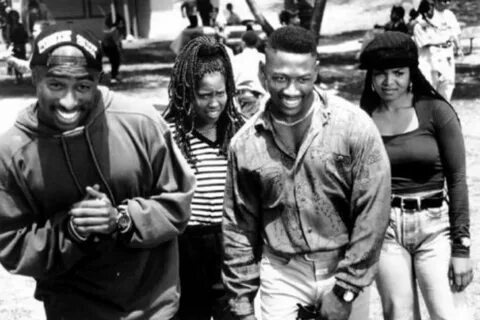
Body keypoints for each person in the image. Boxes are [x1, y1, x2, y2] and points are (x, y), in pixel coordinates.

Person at [0, 25, 196, 320]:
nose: (69, 102)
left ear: (98, 80)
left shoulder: (140, 122)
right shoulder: (12, 152)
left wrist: (121, 219)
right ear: (34, 78)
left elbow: (178, 204)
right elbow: (12, 244)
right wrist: (72, 231)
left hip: (152, 308)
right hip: (72, 311)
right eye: (55, 85)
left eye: (83, 86)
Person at [222, 26, 391, 320]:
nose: (291, 90)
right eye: (280, 78)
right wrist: (242, 303)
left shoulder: (354, 127)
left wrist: (346, 289)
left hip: (343, 265)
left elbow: (373, 213)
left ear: (316, 71)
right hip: (281, 272)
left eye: (302, 79)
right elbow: (239, 227)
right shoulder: (245, 145)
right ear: (263, 73)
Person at [359, 31, 473, 320]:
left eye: (398, 73)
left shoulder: (436, 111)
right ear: (371, 76)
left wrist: (461, 250)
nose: (389, 82)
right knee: (399, 315)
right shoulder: (363, 117)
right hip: (386, 231)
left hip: (435, 228)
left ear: (412, 72)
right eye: (381, 74)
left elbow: (457, 180)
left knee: (449, 315)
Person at [163, 35, 245, 320]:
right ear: (186, 91)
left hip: (231, 244)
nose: (214, 103)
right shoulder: (169, 135)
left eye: (220, 93)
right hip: (186, 247)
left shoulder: (239, 131)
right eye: (204, 94)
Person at [413, 0, 462, 101]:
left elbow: (454, 33)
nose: (430, 10)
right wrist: (444, 41)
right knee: (429, 87)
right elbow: (426, 43)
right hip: (429, 60)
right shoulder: (419, 25)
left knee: (447, 85)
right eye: (427, 9)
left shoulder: (447, 16)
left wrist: (457, 47)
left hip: (446, 56)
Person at [102, 10, 126, 84]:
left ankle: (115, 75)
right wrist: (119, 50)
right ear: (118, 23)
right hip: (109, 47)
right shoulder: (115, 29)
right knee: (115, 62)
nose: (122, 24)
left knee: (116, 62)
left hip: (111, 46)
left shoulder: (117, 30)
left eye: (122, 23)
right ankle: (113, 77)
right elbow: (115, 41)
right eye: (121, 23)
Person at [7, 9, 28, 84]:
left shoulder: (20, 25)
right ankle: (17, 77)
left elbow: (25, 34)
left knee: (21, 60)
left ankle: (21, 76)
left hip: (21, 44)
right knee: (15, 61)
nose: (14, 17)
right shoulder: (9, 26)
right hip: (14, 45)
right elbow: (8, 36)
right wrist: (12, 45)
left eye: (15, 15)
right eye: (12, 16)